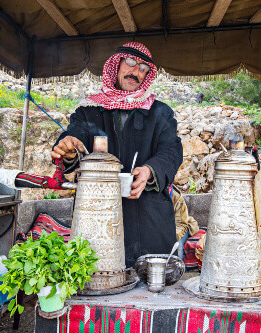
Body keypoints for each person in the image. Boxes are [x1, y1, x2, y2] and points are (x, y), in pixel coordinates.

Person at [51, 42, 183, 267]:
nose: (135, 72)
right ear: (116, 64)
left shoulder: (160, 112)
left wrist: (150, 170)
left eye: (143, 68)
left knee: (151, 289)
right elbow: (75, 136)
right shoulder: (89, 110)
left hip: (149, 223)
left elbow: (172, 150)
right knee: (98, 278)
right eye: (130, 63)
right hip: (96, 221)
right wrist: (69, 147)